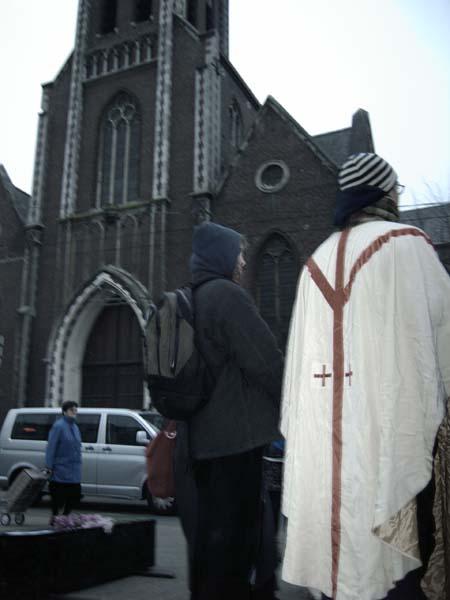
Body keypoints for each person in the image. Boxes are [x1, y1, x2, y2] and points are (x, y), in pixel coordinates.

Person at [280, 152, 450, 600]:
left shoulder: (314, 262)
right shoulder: (409, 244)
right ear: (384, 194)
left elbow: (298, 379)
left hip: (328, 456)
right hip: (393, 449)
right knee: (399, 573)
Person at [187, 221, 284, 600]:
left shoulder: (190, 297)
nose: (243, 261)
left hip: (202, 444)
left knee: (211, 542)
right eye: (239, 253)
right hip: (236, 443)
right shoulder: (227, 296)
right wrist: (294, 403)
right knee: (238, 543)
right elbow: (265, 361)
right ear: (223, 257)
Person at [46, 400, 82, 523]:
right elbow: (51, 447)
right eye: (72, 410)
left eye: (76, 410)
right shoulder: (58, 426)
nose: (74, 412)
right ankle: (55, 516)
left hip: (74, 468)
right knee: (58, 496)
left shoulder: (75, 427)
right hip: (60, 468)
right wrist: (49, 466)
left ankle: (65, 515)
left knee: (75, 494)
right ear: (65, 411)